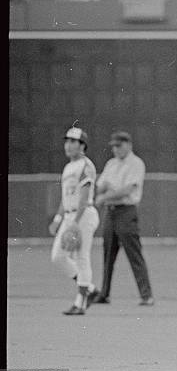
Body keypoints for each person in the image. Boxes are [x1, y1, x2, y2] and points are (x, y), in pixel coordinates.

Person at [91, 131, 154, 306]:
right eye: (114, 146)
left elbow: (127, 191)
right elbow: (100, 186)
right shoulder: (111, 163)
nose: (116, 149)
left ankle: (146, 295)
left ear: (128, 144)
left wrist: (106, 196)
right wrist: (107, 192)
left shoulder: (136, 163)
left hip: (126, 212)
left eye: (119, 145)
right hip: (110, 213)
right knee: (107, 255)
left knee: (134, 254)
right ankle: (104, 293)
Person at [48, 127, 100, 315]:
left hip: (83, 215)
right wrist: (58, 218)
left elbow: (84, 199)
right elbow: (66, 197)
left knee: (81, 256)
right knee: (58, 257)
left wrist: (75, 223)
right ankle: (90, 289)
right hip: (69, 216)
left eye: (73, 141)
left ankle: (80, 302)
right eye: (67, 141)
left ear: (82, 145)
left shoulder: (85, 165)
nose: (68, 145)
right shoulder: (68, 167)